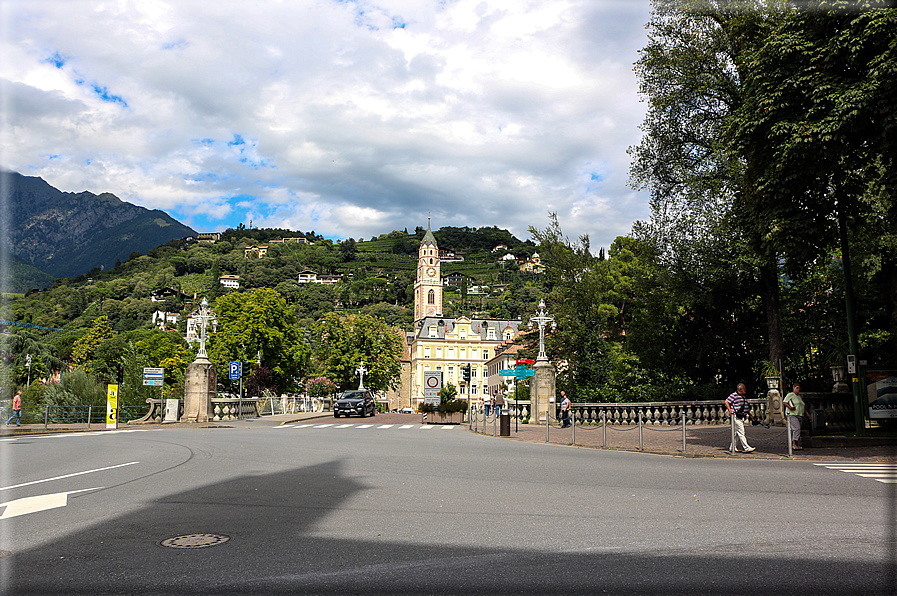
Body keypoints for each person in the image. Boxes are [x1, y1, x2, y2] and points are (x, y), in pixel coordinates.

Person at [725, 383, 755, 453]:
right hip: (736, 415)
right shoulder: (734, 395)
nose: (746, 390)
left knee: (736, 433)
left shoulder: (743, 397)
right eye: (744, 388)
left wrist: (749, 414)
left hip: (741, 415)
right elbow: (726, 401)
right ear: (740, 389)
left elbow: (745, 407)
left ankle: (732, 447)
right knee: (741, 431)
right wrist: (730, 410)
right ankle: (746, 447)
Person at [783, 383, 806, 450]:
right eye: (797, 388)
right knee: (796, 428)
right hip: (792, 414)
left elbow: (803, 405)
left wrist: (807, 413)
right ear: (794, 388)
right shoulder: (790, 395)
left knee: (798, 429)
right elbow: (785, 402)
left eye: (799, 388)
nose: (798, 389)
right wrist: (790, 407)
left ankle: (797, 443)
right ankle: (794, 444)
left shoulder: (799, 396)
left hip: (799, 414)